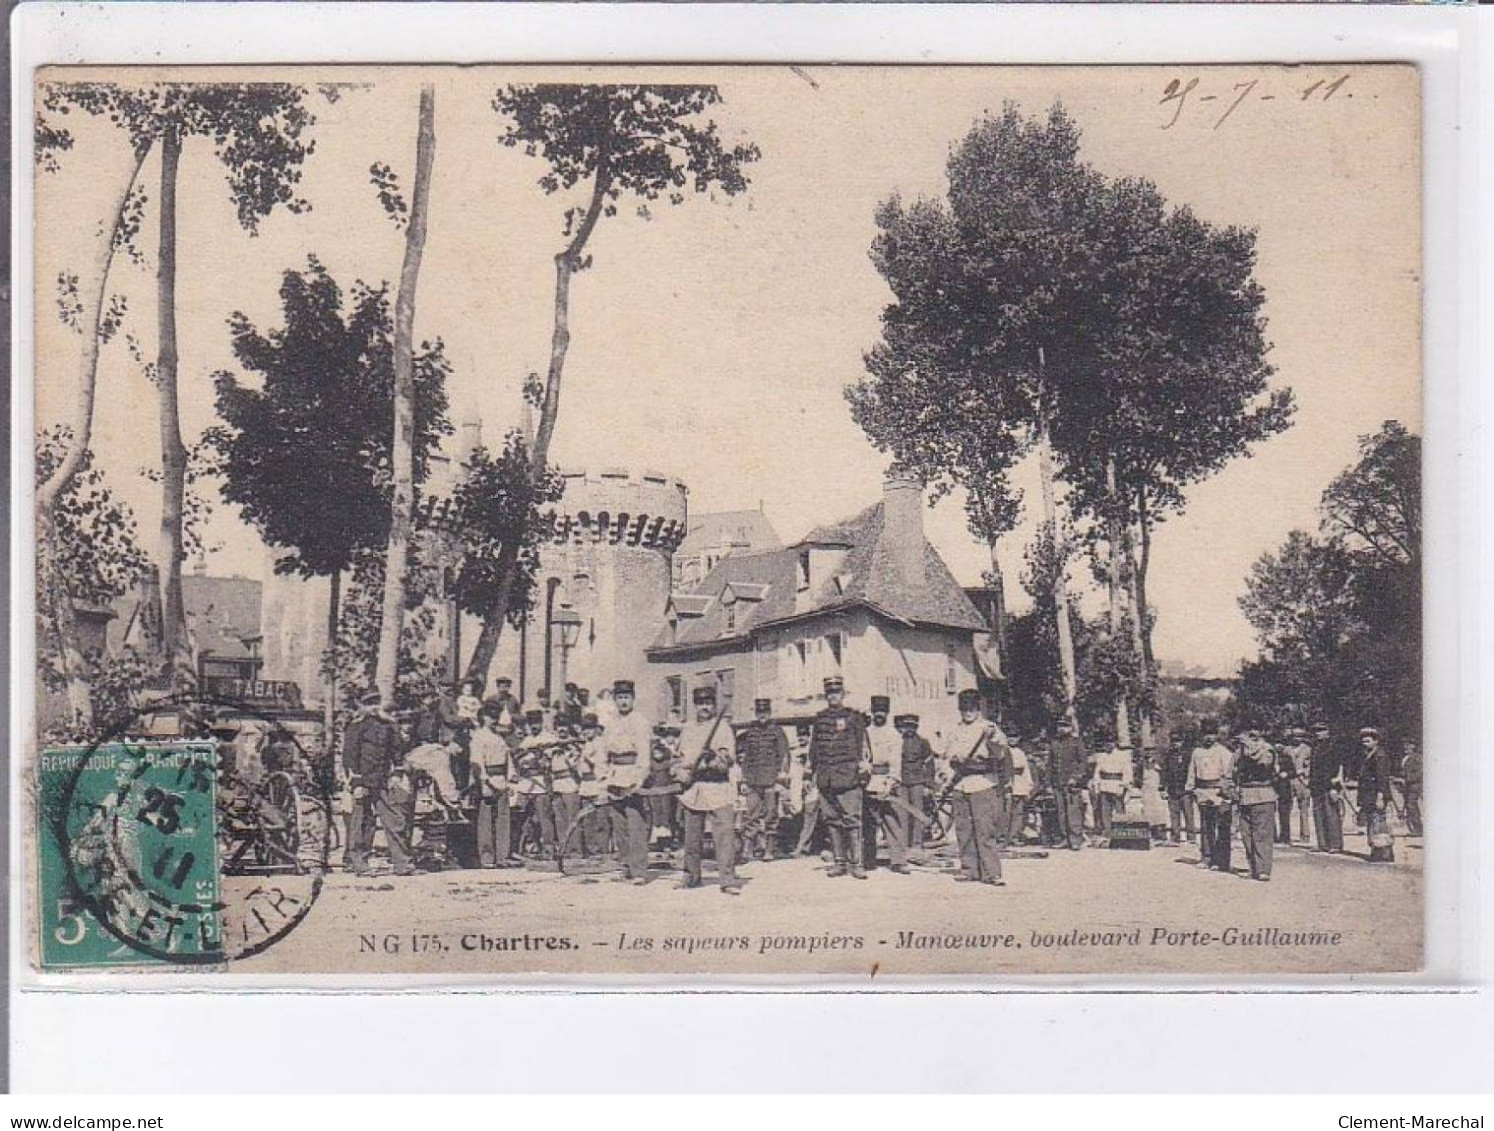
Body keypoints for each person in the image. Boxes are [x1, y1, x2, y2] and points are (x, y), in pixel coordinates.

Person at [674, 686, 741, 894]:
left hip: (718, 787)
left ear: (714, 705)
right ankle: (691, 875)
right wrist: (680, 772)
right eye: (701, 703)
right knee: (691, 836)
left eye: (709, 703)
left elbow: (728, 761)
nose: (705, 707)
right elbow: (678, 758)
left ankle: (727, 879)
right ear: (695, 705)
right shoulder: (688, 729)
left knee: (724, 835)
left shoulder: (723, 728)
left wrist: (712, 758)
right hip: (694, 788)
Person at [941, 689, 1012, 886]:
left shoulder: (988, 727)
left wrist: (992, 737)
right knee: (963, 828)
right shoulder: (954, 729)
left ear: (977, 708)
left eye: (971, 708)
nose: (967, 712)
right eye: (964, 709)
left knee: (985, 829)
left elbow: (1000, 750)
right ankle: (969, 869)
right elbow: (946, 757)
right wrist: (946, 777)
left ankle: (991, 872)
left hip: (982, 782)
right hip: (960, 782)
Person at [342, 689, 415, 876]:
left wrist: (397, 772)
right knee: (362, 823)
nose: (373, 707)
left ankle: (402, 863)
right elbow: (349, 755)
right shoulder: (356, 726)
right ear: (362, 706)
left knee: (395, 820)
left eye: (376, 702)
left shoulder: (388, 726)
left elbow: (396, 751)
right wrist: (356, 782)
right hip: (363, 780)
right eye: (369, 703)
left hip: (383, 780)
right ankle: (359, 863)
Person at [808, 676, 871, 879]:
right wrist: (812, 773)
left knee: (852, 821)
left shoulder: (854, 717)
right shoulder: (819, 719)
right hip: (826, 778)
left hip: (848, 777)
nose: (833, 696)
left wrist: (863, 767)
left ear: (842, 694)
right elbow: (814, 748)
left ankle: (857, 864)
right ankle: (839, 862)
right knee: (832, 821)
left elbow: (863, 745)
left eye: (836, 692)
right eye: (829, 693)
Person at [598, 679, 654, 883]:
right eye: (620, 698)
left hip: (632, 775)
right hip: (615, 775)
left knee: (636, 825)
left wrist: (639, 779)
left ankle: (639, 870)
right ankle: (625, 866)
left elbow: (644, 755)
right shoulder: (610, 724)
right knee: (619, 825)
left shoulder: (640, 722)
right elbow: (602, 754)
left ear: (633, 699)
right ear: (614, 700)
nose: (623, 702)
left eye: (627, 697)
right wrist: (603, 779)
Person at [735, 697, 789, 862]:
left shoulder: (777, 731)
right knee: (752, 814)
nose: (762, 715)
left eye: (765, 712)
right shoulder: (751, 732)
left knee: (771, 814)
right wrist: (744, 779)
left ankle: (769, 850)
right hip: (753, 780)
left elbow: (785, 754)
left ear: (769, 712)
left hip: (771, 780)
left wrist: (782, 775)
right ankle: (747, 850)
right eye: (759, 712)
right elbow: (747, 758)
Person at [863, 695, 909, 873]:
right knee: (868, 822)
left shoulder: (894, 735)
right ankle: (868, 859)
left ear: (887, 713)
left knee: (891, 821)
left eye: (882, 711)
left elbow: (896, 761)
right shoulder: (865, 732)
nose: (879, 714)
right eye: (876, 711)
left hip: (887, 780)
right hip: (868, 781)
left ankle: (898, 860)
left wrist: (892, 781)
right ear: (872, 712)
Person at [471, 704, 519, 868]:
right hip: (488, 780)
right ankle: (487, 858)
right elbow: (477, 762)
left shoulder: (499, 738)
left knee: (503, 820)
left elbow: (508, 759)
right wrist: (484, 782)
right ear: (483, 717)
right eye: (490, 716)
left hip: (501, 779)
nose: (493, 720)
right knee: (486, 821)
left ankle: (502, 857)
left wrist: (511, 776)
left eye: (495, 717)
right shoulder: (478, 737)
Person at [1231, 730, 1278, 881]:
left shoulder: (1267, 750)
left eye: (1253, 736)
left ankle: (1263, 869)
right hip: (1245, 795)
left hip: (1263, 795)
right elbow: (1230, 773)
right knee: (1247, 835)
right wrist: (1230, 790)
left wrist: (1248, 747)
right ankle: (1253, 868)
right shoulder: (1239, 752)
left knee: (1262, 835)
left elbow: (1262, 762)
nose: (1250, 738)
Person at [1187, 723, 1235, 872]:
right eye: (1205, 734)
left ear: (1216, 735)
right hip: (1202, 791)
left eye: (1211, 734)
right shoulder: (1197, 752)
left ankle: (1220, 860)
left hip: (1218, 792)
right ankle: (1206, 857)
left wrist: (1227, 793)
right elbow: (1192, 772)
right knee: (1206, 826)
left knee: (1220, 826)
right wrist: (1190, 788)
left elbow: (1229, 774)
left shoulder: (1223, 752)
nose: (1208, 738)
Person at [896, 713, 938, 858]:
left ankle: (917, 844)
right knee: (902, 814)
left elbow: (930, 765)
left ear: (916, 727)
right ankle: (903, 845)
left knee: (918, 814)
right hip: (901, 782)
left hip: (917, 782)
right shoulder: (897, 741)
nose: (909, 729)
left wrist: (928, 785)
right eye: (907, 726)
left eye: (912, 726)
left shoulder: (923, 742)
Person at [1048, 717, 1088, 851]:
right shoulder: (1054, 743)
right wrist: (1048, 783)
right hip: (1057, 782)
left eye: (1065, 726)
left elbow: (1083, 763)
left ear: (1071, 728)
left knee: (1073, 811)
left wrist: (1075, 778)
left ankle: (1076, 839)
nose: (1061, 728)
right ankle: (1064, 838)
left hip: (1071, 783)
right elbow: (1050, 765)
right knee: (1061, 812)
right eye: (1059, 726)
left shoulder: (1076, 743)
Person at [1358, 727, 1396, 863]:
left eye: (1367, 741)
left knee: (1379, 823)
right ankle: (1377, 850)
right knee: (1373, 823)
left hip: (1376, 794)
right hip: (1369, 794)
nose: (1364, 743)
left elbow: (1382, 777)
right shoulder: (1368, 754)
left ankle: (1383, 853)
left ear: (1375, 741)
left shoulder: (1379, 756)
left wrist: (1380, 795)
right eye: (1363, 741)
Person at [1308, 721, 1345, 853]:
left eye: (1321, 730)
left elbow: (1339, 766)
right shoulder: (1315, 747)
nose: (1318, 733)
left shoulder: (1333, 746)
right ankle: (1322, 843)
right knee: (1318, 815)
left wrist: (1335, 786)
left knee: (1331, 815)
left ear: (1327, 731)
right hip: (1316, 786)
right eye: (1316, 731)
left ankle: (1335, 844)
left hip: (1329, 785)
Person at [790, 725, 822, 857]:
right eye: (800, 735)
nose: (802, 738)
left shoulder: (813, 750)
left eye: (805, 735)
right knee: (799, 816)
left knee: (811, 815)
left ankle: (801, 847)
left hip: (813, 787)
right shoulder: (794, 752)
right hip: (798, 788)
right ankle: (804, 846)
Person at [1161, 735, 1196, 845]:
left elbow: (1192, 771)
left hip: (1185, 789)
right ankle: (1175, 836)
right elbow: (1165, 772)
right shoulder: (1169, 756)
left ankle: (1191, 836)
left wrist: (1192, 786)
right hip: (1173, 789)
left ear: (1182, 742)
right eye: (1174, 741)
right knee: (1174, 814)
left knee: (1188, 813)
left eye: (1178, 741)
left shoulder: (1188, 755)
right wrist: (1163, 787)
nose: (1176, 744)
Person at [1092, 743, 1131, 840]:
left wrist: (1123, 785)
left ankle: (1121, 832)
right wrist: (1097, 785)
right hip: (1104, 785)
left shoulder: (1122, 756)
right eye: (1105, 744)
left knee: (1119, 810)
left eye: (1109, 744)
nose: (1107, 746)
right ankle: (1108, 832)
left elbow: (1127, 772)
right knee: (1105, 811)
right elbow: (1097, 772)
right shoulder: (1102, 756)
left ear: (1114, 744)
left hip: (1117, 785)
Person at [1287, 728, 1314, 843]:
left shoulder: (1308, 750)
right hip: (1289, 780)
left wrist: (1305, 774)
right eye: (1295, 736)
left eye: (1300, 736)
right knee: (1286, 808)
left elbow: (1312, 766)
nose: (1297, 738)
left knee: (1304, 809)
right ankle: (1286, 836)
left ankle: (1305, 835)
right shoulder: (1287, 750)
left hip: (1302, 781)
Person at [1005, 736, 1034, 846]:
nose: (1012, 740)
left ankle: (1014, 836)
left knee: (1018, 812)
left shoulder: (1021, 752)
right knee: (1006, 812)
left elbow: (1026, 770)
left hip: (1020, 783)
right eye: (1010, 737)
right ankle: (1003, 837)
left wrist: (1028, 787)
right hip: (1008, 784)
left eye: (1015, 737)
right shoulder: (1003, 750)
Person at [1139, 747, 1170, 842]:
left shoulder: (1159, 763)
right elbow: (1137, 777)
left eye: (1151, 751)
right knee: (1148, 812)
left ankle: (1161, 835)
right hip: (1146, 789)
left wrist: (1163, 787)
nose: (1149, 753)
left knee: (1160, 812)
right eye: (1146, 751)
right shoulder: (1141, 764)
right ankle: (1150, 834)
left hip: (1157, 789)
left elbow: (1165, 775)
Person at [1272, 738, 1298, 845]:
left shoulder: (1286, 758)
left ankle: (1285, 836)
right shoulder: (1269, 758)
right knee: (1270, 814)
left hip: (1284, 788)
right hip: (1272, 788)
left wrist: (1287, 774)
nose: (1278, 747)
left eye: (1280, 745)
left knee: (1284, 814)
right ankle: (1273, 836)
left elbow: (1293, 772)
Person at [1399, 740, 1423, 836]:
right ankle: (1413, 828)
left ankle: (1418, 828)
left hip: (1414, 785)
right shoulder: (1405, 758)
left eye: (1408, 745)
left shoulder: (1417, 758)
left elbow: (1419, 773)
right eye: (1405, 745)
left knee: (1411, 805)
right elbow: (1404, 771)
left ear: (1413, 746)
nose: (1406, 747)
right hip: (1406, 786)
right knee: (1408, 806)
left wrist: (1407, 779)